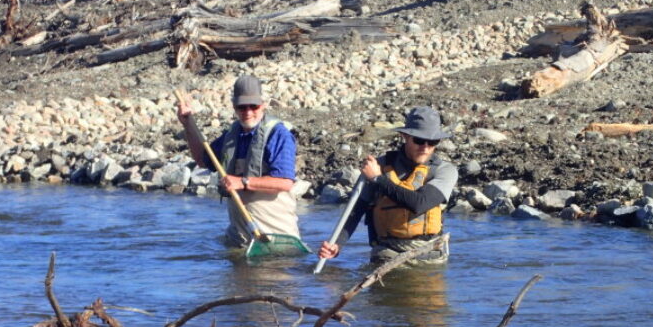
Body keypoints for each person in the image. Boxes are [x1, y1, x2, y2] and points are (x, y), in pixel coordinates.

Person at [318, 105, 458, 265]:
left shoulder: (445, 170)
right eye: (419, 140)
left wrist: (378, 179)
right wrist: (337, 244)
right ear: (404, 136)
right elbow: (355, 211)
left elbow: (420, 203)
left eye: (432, 142)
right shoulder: (379, 166)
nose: (425, 148)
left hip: (429, 254)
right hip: (387, 253)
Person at [176, 75, 301, 248]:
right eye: (242, 107)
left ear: (263, 105)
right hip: (240, 240)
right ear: (234, 107)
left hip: (275, 239)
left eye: (253, 106)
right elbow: (202, 160)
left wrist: (242, 182)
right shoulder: (231, 136)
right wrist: (188, 125)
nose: (248, 112)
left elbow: (285, 183)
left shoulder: (279, 135)